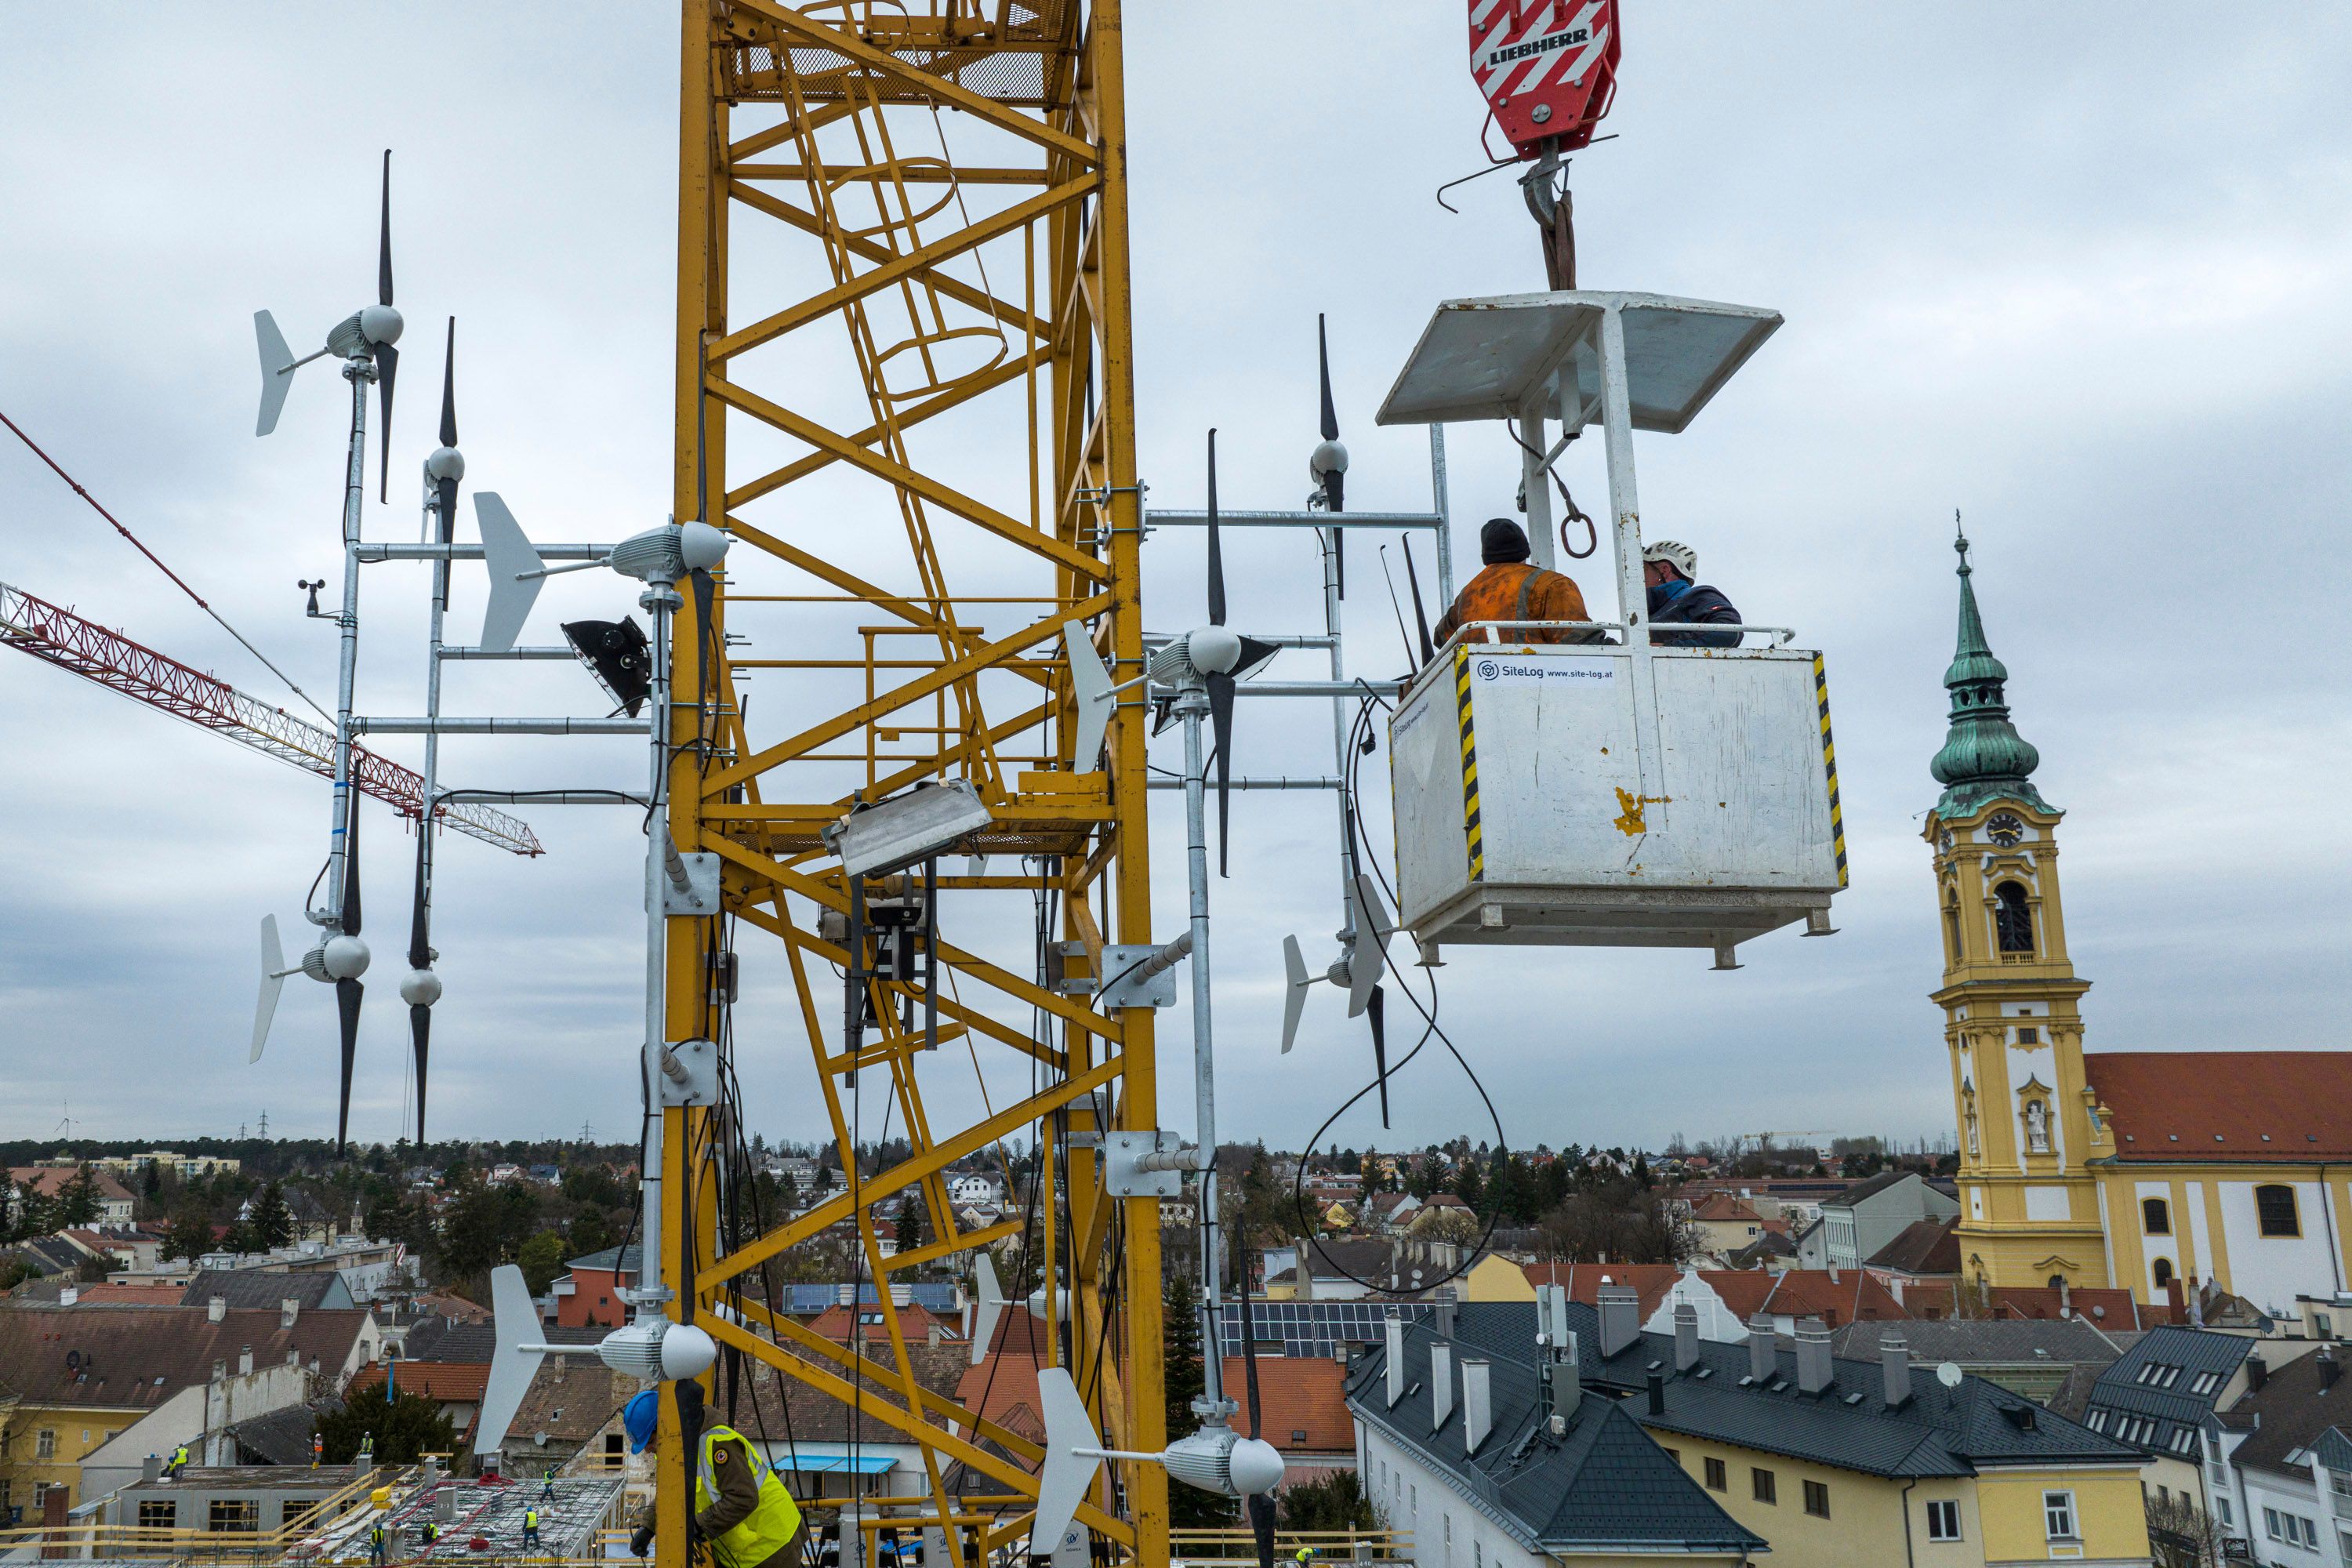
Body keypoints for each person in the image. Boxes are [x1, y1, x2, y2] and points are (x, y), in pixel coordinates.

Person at [623, 1388, 807, 1568]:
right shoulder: (677, 1450)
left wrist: (698, 1526)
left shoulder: (718, 1445)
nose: (648, 1450)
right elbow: (673, 1492)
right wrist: (648, 1527)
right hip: (743, 1552)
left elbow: (743, 1498)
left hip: (773, 1543)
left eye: (650, 1441)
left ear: (668, 1425)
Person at [1432, 519, 1601, 648]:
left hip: (1480, 680)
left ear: (1487, 556)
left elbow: (1441, 637)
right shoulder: (1552, 584)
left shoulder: (1467, 596)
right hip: (1535, 677)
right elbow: (1581, 641)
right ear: (1525, 552)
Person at [1641, 540, 1740, 648]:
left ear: (1664, 571)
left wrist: (1670, 647)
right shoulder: (1643, 613)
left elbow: (1729, 631)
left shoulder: (1695, 596)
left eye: (1644, 569)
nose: (1638, 576)